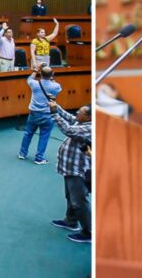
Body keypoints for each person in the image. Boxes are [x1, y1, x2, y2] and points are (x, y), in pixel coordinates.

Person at [49, 101, 92, 243]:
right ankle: (71, 221)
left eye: (80, 112)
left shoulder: (90, 128)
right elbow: (69, 117)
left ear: (88, 117)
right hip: (69, 169)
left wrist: (54, 113)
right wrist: (56, 106)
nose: (77, 113)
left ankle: (88, 232)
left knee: (79, 201)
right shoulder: (81, 122)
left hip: (78, 170)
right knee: (71, 197)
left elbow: (68, 129)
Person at [19, 65, 62, 164]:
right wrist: (51, 77)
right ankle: (39, 158)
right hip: (47, 115)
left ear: (40, 74)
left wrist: (36, 70)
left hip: (33, 113)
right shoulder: (55, 86)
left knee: (28, 133)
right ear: (52, 74)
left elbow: (29, 79)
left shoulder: (34, 84)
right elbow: (58, 88)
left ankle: (22, 153)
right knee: (44, 136)